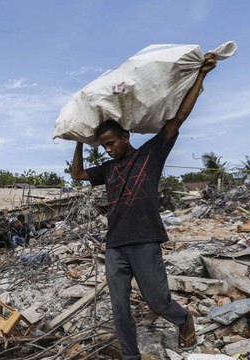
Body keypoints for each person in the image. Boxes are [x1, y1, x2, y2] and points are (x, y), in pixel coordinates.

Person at [71, 53, 217, 359]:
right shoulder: (108, 170)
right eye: (104, 146)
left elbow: (177, 119)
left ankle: (183, 318)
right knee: (119, 307)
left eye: (111, 143)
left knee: (156, 300)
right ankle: (130, 355)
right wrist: (80, 139)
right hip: (115, 246)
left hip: (145, 240)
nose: (108, 150)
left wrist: (201, 74)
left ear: (126, 137)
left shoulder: (149, 155)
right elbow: (78, 175)